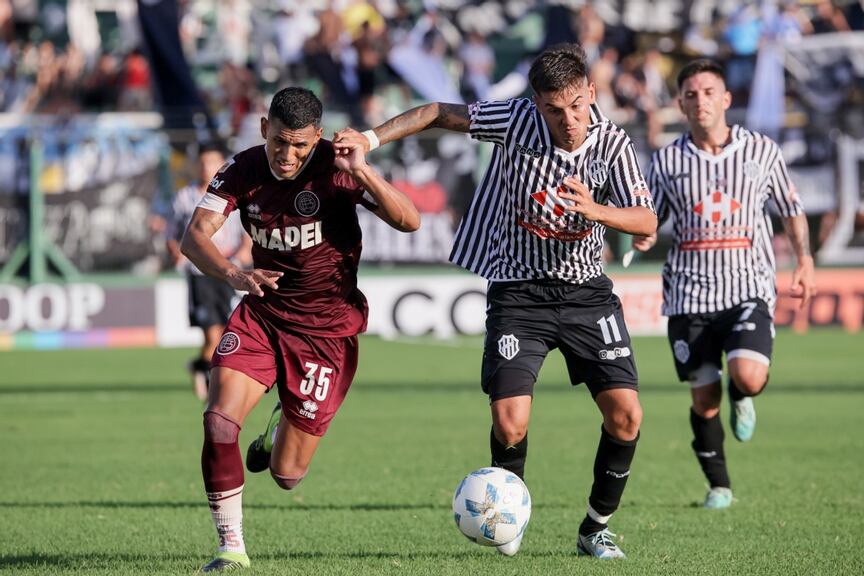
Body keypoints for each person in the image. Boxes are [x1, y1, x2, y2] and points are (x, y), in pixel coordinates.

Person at [335, 43, 656, 559]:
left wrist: (597, 210)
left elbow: (646, 220)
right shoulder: (514, 120)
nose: (568, 119)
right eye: (554, 109)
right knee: (510, 422)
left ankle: (595, 527)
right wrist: (370, 138)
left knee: (627, 416)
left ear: (591, 94)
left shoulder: (613, 144)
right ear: (536, 103)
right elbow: (437, 112)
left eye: (577, 105)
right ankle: (508, 515)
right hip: (519, 292)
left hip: (585, 294)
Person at [180, 86, 420, 572]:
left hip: (326, 332)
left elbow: (410, 220)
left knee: (287, 474)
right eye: (279, 143)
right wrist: (235, 275)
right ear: (264, 129)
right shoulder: (241, 169)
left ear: (318, 139)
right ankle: (231, 549)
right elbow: (193, 238)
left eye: (301, 147)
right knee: (218, 421)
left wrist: (365, 171)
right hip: (263, 313)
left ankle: (278, 425)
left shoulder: (338, 166)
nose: (287, 156)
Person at [633, 59, 817, 509]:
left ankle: (745, 395)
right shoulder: (668, 161)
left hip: (748, 286)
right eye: (691, 94)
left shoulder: (762, 152)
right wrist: (643, 233)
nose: (701, 101)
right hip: (689, 294)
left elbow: (790, 208)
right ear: (680, 104)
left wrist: (805, 259)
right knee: (704, 399)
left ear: (726, 99)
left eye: (709, 92)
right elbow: (650, 218)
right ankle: (719, 486)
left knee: (748, 376)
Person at [166, 142, 251, 400]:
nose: (206, 168)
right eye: (202, 163)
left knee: (227, 333)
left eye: (212, 162)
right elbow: (172, 234)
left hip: (231, 270)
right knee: (213, 334)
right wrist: (177, 255)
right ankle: (214, 382)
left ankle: (202, 369)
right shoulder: (184, 197)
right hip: (200, 272)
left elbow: (248, 228)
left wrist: (245, 251)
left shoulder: (235, 192)